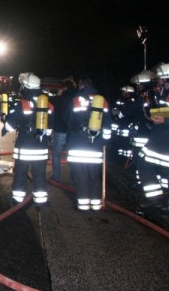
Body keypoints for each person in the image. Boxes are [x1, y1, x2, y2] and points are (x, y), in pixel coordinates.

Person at [2, 72, 54, 207]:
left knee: (21, 173)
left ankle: (18, 200)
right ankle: (41, 201)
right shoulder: (48, 105)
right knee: (39, 174)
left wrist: (5, 128)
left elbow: (10, 125)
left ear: (26, 87)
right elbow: (50, 128)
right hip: (41, 147)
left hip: (24, 146)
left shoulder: (22, 104)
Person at [66, 78, 112, 212]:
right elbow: (108, 124)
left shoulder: (76, 100)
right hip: (96, 146)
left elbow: (67, 119)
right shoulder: (102, 101)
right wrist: (105, 142)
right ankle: (96, 204)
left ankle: (83, 205)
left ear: (82, 86)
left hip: (78, 145)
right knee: (95, 177)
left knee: (81, 177)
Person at [138, 63, 169, 216]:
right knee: (143, 161)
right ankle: (156, 198)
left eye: (159, 77)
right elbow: (165, 112)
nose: (157, 79)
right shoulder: (165, 92)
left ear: (165, 78)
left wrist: (164, 120)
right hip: (161, 138)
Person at [48, 78, 77, 182]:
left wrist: (58, 95)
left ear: (65, 88)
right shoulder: (76, 98)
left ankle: (56, 177)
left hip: (60, 130)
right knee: (73, 155)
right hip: (73, 132)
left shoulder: (61, 98)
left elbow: (52, 104)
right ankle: (75, 178)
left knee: (56, 154)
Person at [110, 85, 136, 158]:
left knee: (127, 145)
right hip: (120, 127)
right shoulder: (120, 100)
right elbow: (116, 108)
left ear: (128, 92)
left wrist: (119, 113)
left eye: (124, 92)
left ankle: (127, 159)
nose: (122, 93)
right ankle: (120, 158)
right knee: (119, 145)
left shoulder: (132, 101)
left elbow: (129, 114)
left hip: (127, 127)